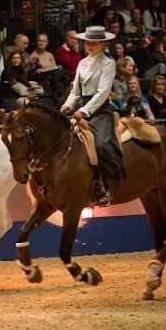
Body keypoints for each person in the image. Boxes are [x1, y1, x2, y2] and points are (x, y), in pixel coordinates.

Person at [60, 26, 125, 206]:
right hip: (81, 108)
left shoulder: (108, 63)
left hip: (100, 110)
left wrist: (85, 111)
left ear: (103, 44)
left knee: (102, 144)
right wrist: (67, 105)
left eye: (94, 43)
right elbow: (75, 91)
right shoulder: (82, 63)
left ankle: (107, 185)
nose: (89, 45)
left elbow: (103, 92)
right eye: (87, 42)